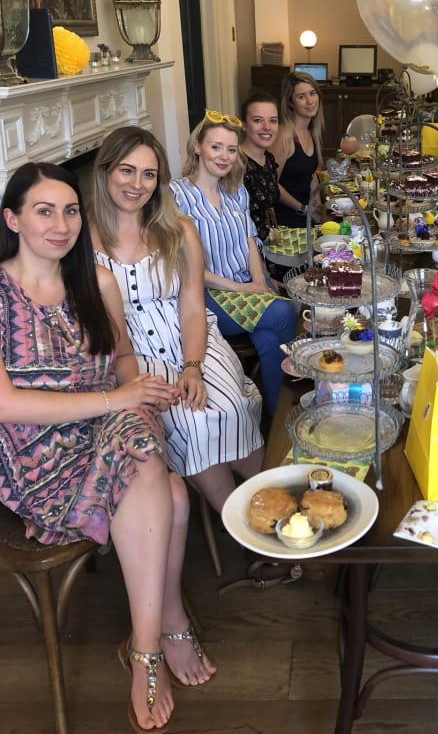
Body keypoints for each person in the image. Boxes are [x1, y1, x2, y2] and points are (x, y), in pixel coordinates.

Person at [0, 162, 215, 734]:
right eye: (44, 211)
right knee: (170, 491)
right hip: (39, 459)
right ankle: (162, 634)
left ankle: (147, 649)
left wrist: (136, 390)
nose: (62, 224)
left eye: (71, 211)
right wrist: (119, 400)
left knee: (148, 453)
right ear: (12, 219)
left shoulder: (95, 282)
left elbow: (122, 359)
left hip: (110, 427)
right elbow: (6, 405)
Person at [90, 127, 264, 519]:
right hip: (131, 350)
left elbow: (192, 307)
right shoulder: (82, 239)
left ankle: (275, 501)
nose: (137, 184)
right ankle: (243, 522)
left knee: (230, 407)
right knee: (190, 418)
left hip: (191, 336)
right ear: (105, 172)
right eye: (127, 170)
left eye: (148, 174)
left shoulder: (178, 229)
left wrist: (193, 366)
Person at [171, 113, 297, 417]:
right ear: (198, 147)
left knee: (268, 338)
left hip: (245, 285)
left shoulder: (236, 192)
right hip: (207, 294)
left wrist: (260, 280)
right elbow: (185, 268)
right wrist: (244, 289)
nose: (224, 156)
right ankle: (291, 401)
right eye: (215, 147)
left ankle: (276, 415)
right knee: (285, 312)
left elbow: (250, 241)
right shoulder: (177, 195)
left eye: (230, 149)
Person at [273, 71, 325, 227]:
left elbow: (311, 174)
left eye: (312, 93)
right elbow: (271, 183)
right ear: (291, 103)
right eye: (301, 97)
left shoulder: (311, 132)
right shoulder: (285, 136)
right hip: (287, 220)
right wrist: (303, 209)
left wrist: (318, 204)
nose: (310, 101)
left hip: (307, 215)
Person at [238, 89, 281, 242]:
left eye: (273, 120)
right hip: (245, 250)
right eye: (257, 120)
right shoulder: (235, 164)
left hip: (269, 244)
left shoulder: (268, 159)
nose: (267, 127)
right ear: (244, 124)